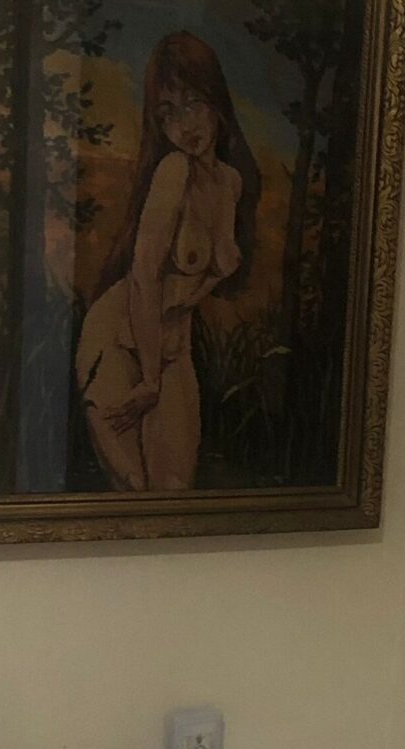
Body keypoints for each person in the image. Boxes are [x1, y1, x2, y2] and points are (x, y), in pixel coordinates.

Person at [74, 32, 260, 492]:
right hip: (119, 338)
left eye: (194, 103)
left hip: (173, 344)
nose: (183, 124)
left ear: (216, 101)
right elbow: (143, 279)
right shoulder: (172, 171)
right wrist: (150, 377)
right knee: (136, 490)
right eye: (167, 113)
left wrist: (160, 373)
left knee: (175, 487)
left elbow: (212, 273)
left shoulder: (231, 183)